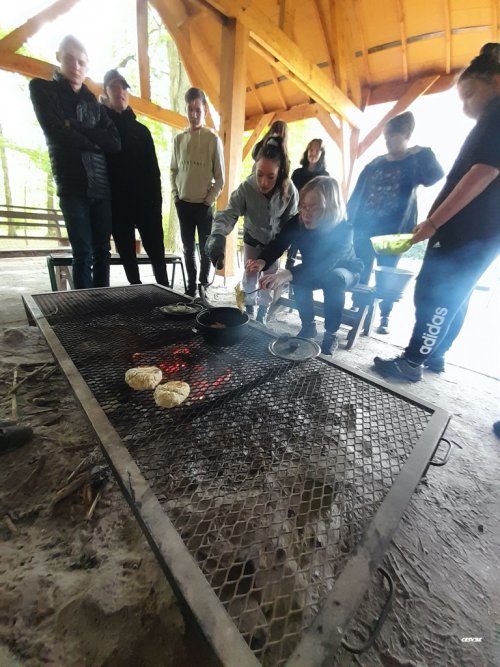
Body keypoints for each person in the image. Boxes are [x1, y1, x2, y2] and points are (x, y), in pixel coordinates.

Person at [373, 43, 500, 383]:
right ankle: (435, 355)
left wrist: (433, 222)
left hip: (469, 231)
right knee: (457, 294)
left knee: (438, 292)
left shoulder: (497, 113)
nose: (465, 105)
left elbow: (483, 172)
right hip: (479, 233)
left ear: (497, 82)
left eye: (470, 93)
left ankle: (412, 362)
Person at [29, 35, 120, 289]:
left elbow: (114, 144)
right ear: (59, 57)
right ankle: (84, 314)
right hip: (72, 186)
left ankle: (103, 308)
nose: (76, 66)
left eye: (81, 62)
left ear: (87, 66)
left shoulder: (97, 106)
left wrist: (77, 127)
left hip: (101, 188)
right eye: (70, 59)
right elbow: (55, 132)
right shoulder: (42, 89)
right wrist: (96, 143)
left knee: (103, 252)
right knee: (83, 252)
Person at [347, 112, 444, 334]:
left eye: (393, 137)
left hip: (393, 233)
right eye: (387, 137)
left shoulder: (414, 164)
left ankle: (385, 315)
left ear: (407, 135)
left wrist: (425, 152)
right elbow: (357, 194)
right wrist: (348, 220)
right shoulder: (375, 164)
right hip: (365, 230)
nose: (388, 141)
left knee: (388, 274)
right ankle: (358, 308)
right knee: (362, 267)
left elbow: (436, 176)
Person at [246, 176, 363, 354]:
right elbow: (279, 243)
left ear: (330, 207)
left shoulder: (344, 230)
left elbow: (326, 265)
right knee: (300, 278)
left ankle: (330, 334)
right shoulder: (299, 221)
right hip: (313, 270)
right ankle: (308, 326)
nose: (307, 213)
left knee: (333, 279)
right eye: (304, 206)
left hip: (345, 271)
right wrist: (262, 261)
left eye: (314, 208)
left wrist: (287, 274)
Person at [206, 137, 298, 323]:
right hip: (252, 241)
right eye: (259, 174)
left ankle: (262, 315)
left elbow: (292, 226)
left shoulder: (290, 192)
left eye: (270, 176)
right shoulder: (246, 188)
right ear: (255, 169)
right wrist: (217, 234)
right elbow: (228, 213)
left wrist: (279, 251)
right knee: (249, 276)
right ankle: (248, 311)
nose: (263, 182)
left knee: (268, 280)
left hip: (274, 245)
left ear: (280, 173)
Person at [102, 69, 169, 287]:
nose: (120, 92)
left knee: (157, 253)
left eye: (123, 87)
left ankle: (166, 291)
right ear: (106, 91)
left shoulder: (142, 131)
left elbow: (154, 172)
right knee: (128, 257)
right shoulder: (102, 128)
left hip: (146, 206)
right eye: (114, 86)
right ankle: (137, 293)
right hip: (118, 207)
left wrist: (156, 204)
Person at [170, 87, 225, 296]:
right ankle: (191, 286)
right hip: (183, 203)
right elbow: (173, 171)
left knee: (205, 249)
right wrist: (176, 197)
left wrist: (208, 201)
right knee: (187, 249)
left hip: (203, 205)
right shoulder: (179, 140)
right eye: (190, 110)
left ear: (205, 111)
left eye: (198, 110)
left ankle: (203, 284)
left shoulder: (212, 140)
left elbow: (220, 178)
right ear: (186, 109)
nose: (193, 115)